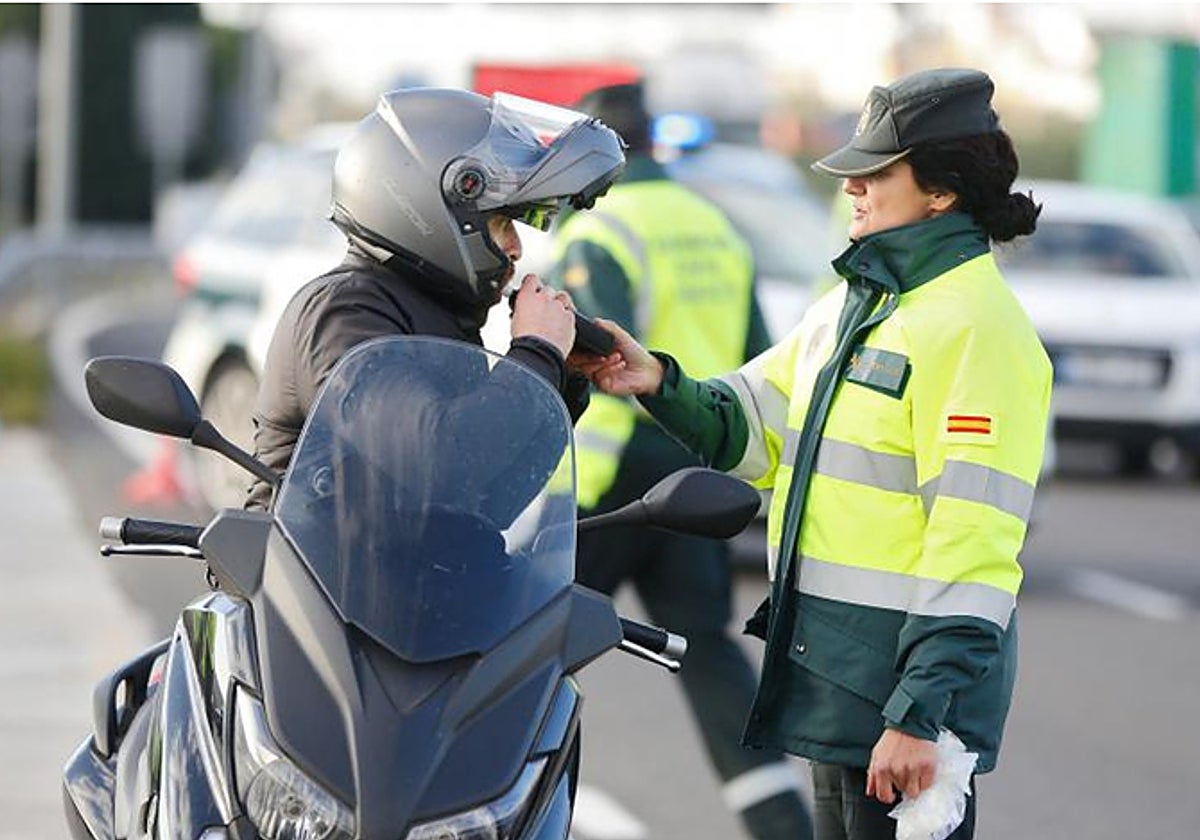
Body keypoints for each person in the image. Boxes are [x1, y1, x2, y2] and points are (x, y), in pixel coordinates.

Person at [576, 68, 1053, 840]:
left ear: (941, 192)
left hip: (900, 707)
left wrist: (919, 715)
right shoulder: (855, 303)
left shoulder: (977, 327)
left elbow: (977, 546)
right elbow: (752, 427)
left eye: (876, 172)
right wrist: (656, 381)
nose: (853, 188)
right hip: (836, 682)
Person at [546, 83, 814, 840]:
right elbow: (760, 359)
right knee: (706, 656)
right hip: (696, 477)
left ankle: (479, 804)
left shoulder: (600, 229)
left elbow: (596, 357)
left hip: (608, 488)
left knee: (529, 652)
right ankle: (784, 827)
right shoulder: (714, 226)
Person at [245, 87, 624, 511]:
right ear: (429, 206)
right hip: (320, 575)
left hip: (420, 574)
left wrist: (558, 379)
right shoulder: (344, 312)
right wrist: (535, 352)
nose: (516, 247)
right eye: (501, 223)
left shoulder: (442, 316)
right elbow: (441, 465)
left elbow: (490, 501)